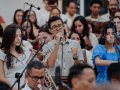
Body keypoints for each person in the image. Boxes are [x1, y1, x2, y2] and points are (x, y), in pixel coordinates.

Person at [0, 24, 32, 89]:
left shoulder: (24, 51)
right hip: (9, 86)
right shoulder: (2, 53)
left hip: (25, 87)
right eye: (15, 36)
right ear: (9, 37)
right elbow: (1, 77)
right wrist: (12, 88)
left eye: (20, 36)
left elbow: (29, 72)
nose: (18, 38)